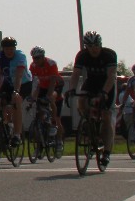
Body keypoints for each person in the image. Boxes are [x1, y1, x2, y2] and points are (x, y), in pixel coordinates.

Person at [73, 31, 118, 168]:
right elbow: (76, 74)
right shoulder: (82, 55)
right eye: (90, 46)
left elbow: (111, 76)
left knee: (106, 115)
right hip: (91, 82)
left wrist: (104, 92)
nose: (94, 49)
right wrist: (71, 90)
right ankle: (89, 125)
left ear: (100, 45)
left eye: (96, 45)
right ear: (86, 47)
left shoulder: (109, 55)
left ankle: (107, 152)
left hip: (107, 83)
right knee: (81, 101)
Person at [29, 46, 65, 146]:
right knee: (39, 112)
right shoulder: (33, 66)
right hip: (43, 87)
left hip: (56, 85)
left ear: (43, 57)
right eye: (34, 58)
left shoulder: (51, 64)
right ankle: (41, 142)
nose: (35, 60)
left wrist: (48, 96)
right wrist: (32, 97)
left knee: (51, 98)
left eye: (37, 58)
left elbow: (53, 82)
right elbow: (35, 83)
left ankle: (55, 127)